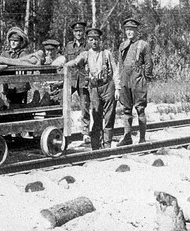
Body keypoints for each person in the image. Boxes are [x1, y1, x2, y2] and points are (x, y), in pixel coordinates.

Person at [65, 28, 120, 150]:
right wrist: (65, 65)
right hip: (94, 88)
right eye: (91, 39)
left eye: (96, 39)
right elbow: (75, 61)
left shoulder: (107, 53)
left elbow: (115, 71)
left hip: (108, 86)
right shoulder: (85, 54)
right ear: (88, 41)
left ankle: (107, 144)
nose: (94, 42)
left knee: (109, 116)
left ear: (100, 40)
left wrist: (117, 88)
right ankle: (96, 145)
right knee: (96, 115)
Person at [117, 17, 153, 146]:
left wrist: (146, 79)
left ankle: (142, 139)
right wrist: (119, 82)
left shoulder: (143, 44)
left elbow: (149, 63)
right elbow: (120, 65)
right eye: (127, 30)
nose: (129, 32)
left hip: (138, 79)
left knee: (140, 109)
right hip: (125, 79)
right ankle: (127, 138)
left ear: (136, 31)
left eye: (131, 30)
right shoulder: (122, 46)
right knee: (126, 109)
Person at [64, 21, 92, 144]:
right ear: (73, 33)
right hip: (71, 80)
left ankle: (85, 133)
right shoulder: (69, 46)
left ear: (84, 32)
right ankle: (63, 130)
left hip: (83, 80)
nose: (78, 33)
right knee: (63, 104)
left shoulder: (89, 46)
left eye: (80, 31)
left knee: (85, 107)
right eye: (76, 31)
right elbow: (65, 61)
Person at [0, 26, 31, 106]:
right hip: (7, 85)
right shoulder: (5, 54)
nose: (13, 43)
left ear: (21, 42)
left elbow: (23, 62)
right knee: (6, 104)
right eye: (11, 40)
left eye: (16, 41)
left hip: (20, 85)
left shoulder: (23, 53)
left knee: (18, 105)